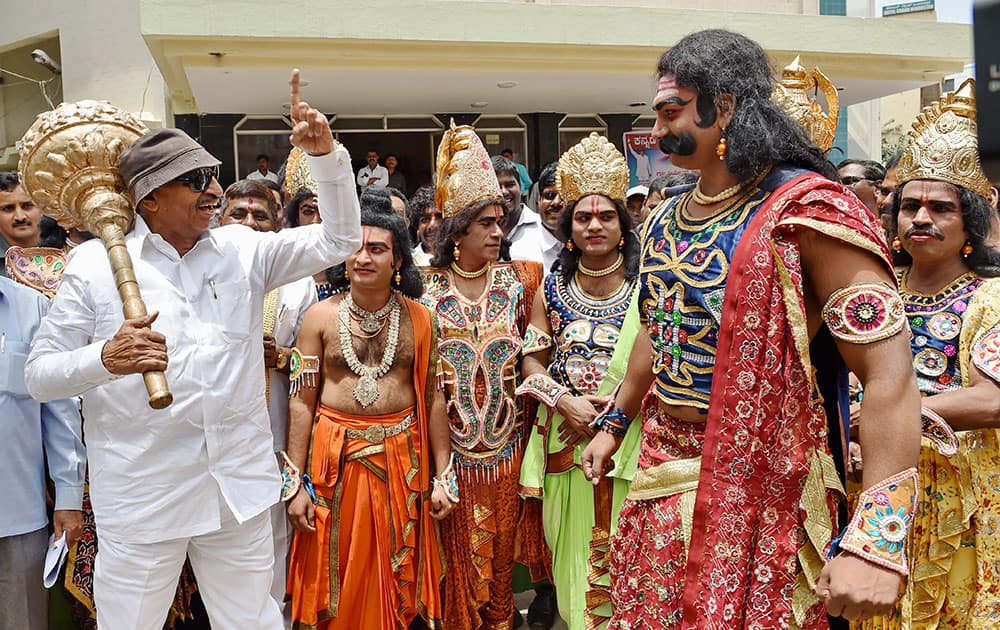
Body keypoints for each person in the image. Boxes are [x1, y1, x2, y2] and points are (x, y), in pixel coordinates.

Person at [580, 30, 921, 627]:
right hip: (661, 476)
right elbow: (655, 329)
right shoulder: (664, 219)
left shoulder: (808, 214)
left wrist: (880, 539)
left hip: (765, 489)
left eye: (671, 111)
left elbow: (888, 372)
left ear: (728, 106)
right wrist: (614, 423)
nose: (656, 132)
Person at [25, 70, 362, 628]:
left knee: (254, 621)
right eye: (195, 179)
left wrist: (326, 157)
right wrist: (106, 359)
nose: (213, 190)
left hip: (237, 491)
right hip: (143, 498)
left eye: (212, 175)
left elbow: (340, 240)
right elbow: (39, 375)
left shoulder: (242, 251)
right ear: (150, 198)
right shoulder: (92, 265)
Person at [861, 78, 1000, 628]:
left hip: (956, 499)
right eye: (909, 205)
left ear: (970, 221)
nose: (921, 218)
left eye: (940, 208)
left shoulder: (991, 297)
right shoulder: (871, 294)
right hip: (874, 487)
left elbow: (991, 402)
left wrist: (876, 418)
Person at [284, 187, 450, 629]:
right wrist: (294, 483)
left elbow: (433, 398)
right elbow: (301, 400)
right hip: (332, 466)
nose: (363, 257)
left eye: (377, 249)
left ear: (397, 261)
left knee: (398, 575)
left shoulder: (421, 318)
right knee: (335, 573)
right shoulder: (318, 317)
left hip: (402, 464)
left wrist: (443, 476)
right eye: (355, 247)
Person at [421, 123, 548, 629]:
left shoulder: (523, 282)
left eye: (501, 222)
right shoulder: (424, 293)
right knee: (455, 574)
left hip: (509, 458)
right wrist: (439, 468)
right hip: (452, 460)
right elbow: (426, 388)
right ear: (457, 231)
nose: (498, 232)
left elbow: (537, 359)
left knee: (500, 576)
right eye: (486, 224)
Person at [518, 133, 640, 629]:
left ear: (622, 225)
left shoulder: (648, 283)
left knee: (632, 562)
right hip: (565, 440)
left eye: (606, 216)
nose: (594, 225)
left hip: (630, 439)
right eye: (583, 217)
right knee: (570, 560)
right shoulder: (552, 287)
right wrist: (565, 401)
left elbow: (661, 360)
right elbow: (530, 361)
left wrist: (617, 405)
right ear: (567, 227)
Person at [218, 178, 316, 613]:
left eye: (260, 215)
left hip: (273, 430)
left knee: (273, 536)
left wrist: (280, 356)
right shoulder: (202, 274)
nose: (248, 222)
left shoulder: (296, 283)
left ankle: (274, 614)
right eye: (238, 213)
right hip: (213, 434)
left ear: (278, 224)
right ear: (219, 220)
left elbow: (316, 363)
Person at [0, 275, 85, 630]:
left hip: (16, 514)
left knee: (24, 620)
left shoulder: (31, 306)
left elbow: (60, 408)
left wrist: (68, 495)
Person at [494, 154, 545, 264]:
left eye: (510, 184)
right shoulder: (477, 232)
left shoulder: (542, 228)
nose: (504, 192)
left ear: (520, 187)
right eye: (497, 186)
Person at [0, 172, 42, 275]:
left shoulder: (69, 248)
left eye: (27, 206)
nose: (20, 217)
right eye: (8, 208)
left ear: (42, 208)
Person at [535, 162, 566, 273]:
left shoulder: (587, 247)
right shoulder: (519, 250)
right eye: (549, 196)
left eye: (564, 197)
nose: (556, 202)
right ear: (539, 200)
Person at [408, 185, 440, 267]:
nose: (433, 225)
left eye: (440, 217)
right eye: (425, 220)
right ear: (417, 227)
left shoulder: (464, 260)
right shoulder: (407, 264)